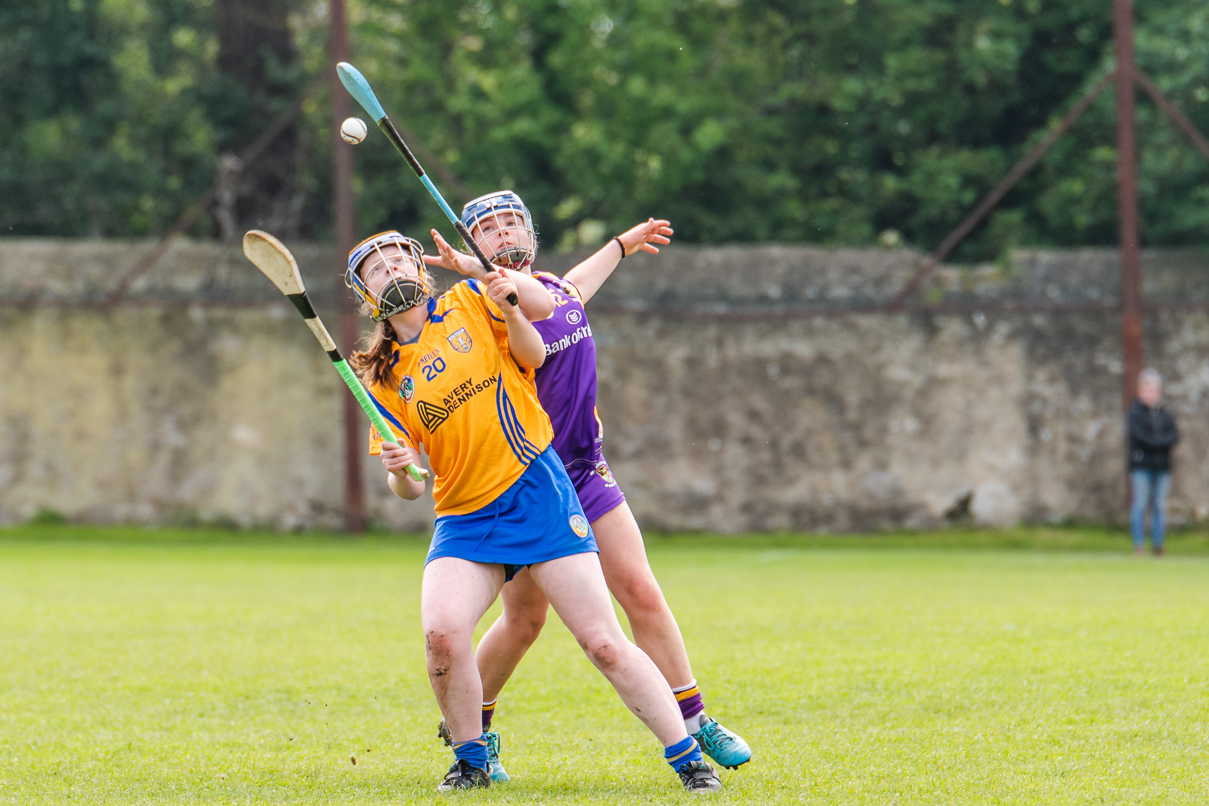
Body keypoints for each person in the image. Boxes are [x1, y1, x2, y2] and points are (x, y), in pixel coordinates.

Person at [345, 229, 722, 792]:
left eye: (399, 256)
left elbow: (542, 324)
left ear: (421, 271)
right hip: (464, 518)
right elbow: (411, 490)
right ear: (366, 294)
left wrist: (494, 285)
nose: (391, 268)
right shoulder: (380, 374)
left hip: (537, 493)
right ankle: (471, 759)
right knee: (443, 635)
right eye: (376, 268)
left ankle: (689, 757)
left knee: (601, 641)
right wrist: (401, 468)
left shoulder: (470, 300)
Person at [423, 191, 752, 781]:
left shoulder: (553, 287)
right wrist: (476, 273)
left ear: (531, 229)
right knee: (524, 623)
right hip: (532, 480)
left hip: (587, 470)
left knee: (641, 591)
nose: (502, 233)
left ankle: (694, 716)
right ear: (473, 245)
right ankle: (477, 726)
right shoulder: (489, 306)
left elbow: (572, 287)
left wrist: (623, 245)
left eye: (510, 222)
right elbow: (524, 307)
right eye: (487, 230)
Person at [1127, 368, 1179, 556]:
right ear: (1141, 390)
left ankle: (1158, 544)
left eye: (1154, 389)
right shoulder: (1135, 413)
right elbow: (1141, 438)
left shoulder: (1164, 413)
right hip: (1142, 466)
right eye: (1147, 389)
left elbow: (1174, 434)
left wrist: (1159, 443)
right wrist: (1158, 443)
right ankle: (1138, 544)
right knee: (1140, 504)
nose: (1150, 393)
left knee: (1159, 505)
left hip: (1162, 466)